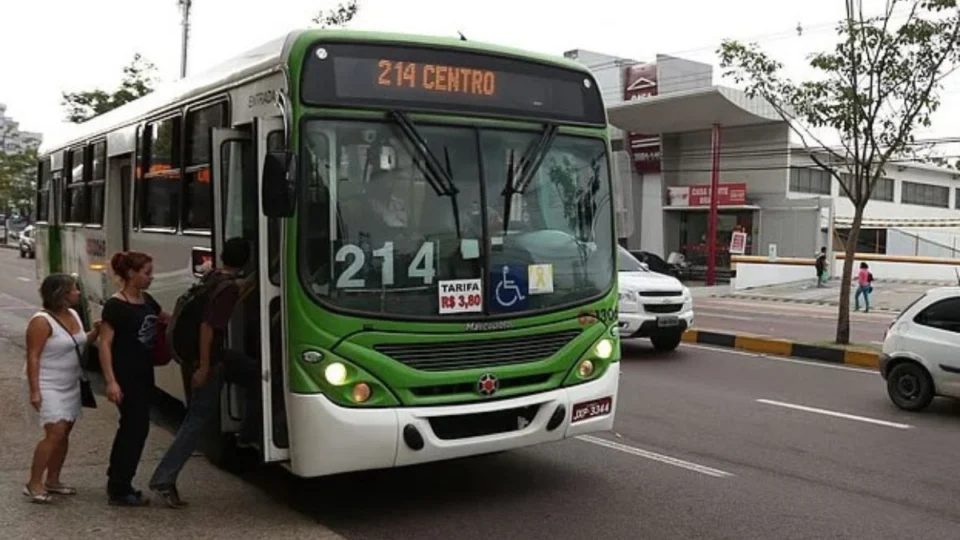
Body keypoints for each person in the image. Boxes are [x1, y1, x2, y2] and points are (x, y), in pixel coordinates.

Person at [149, 237, 257, 509]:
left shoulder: (214, 277)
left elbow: (238, 292)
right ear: (246, 259)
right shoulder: (227, 288)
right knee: (196, 421)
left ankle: (248, 434)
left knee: (258, 376)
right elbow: (208, 327)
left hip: (214, 357)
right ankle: (164, 478)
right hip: (207, 360)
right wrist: (204, 367)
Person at [23, 274, 101, 503]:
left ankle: (53, 479)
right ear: (62, 295)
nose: (78, 293)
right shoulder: (40, 322)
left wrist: (94, 333)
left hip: (70, 382)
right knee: (54, 433)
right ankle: (33, 482)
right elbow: (33, 356)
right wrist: (35, 391)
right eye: (74, 289)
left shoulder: (74, 314)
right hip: (48, 383)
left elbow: (78, 341)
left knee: (64, 433)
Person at [99, 251, 166, 506]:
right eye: (146, 272)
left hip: (144, 374)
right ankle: (119, 486)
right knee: (134, 429)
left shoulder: (147, 300)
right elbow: (105, 344)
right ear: (131, 274)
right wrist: (111, 381)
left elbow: (166, 319)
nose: (151, 277)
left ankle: (119, 477)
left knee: (136, 428)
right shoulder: (116, 306)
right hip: (125, 377)